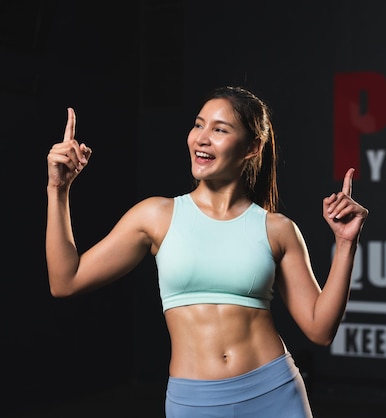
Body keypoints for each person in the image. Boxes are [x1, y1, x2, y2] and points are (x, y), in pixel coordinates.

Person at [46, 85, 369, 417]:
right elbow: (65, 281)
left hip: (274, 392)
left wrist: (345, 244)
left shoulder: (277, 229)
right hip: (194, 401)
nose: (202, 137)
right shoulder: (155, 216)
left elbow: (320, 328)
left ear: (252, 147)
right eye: (199, 124)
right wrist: (58, 189)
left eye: (219, 129)